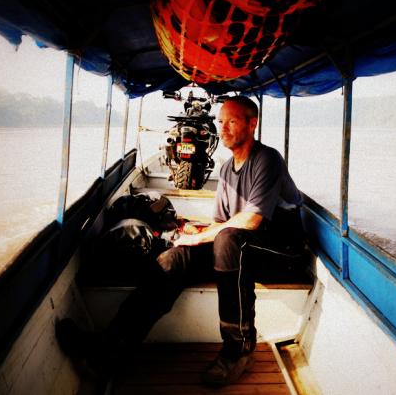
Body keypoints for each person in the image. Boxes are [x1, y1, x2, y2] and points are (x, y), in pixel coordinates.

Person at [56, 95, 306, 386]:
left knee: (226, 240)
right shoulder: (226, 170)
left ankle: (238, 351)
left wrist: (205, 235)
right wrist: (191, 237)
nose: (223, 129)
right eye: (221, 122)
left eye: (232, 122)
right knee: (175, 257)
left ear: (252, 124)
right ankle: (108, 351)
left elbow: (250, 221)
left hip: (283, 252)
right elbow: (221, 224)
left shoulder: (267, 159)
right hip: (241, 247)